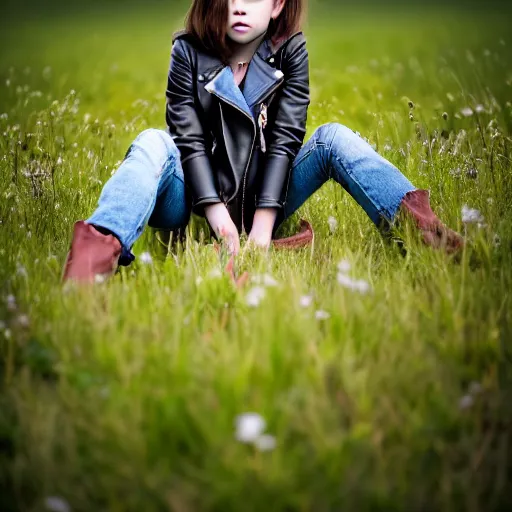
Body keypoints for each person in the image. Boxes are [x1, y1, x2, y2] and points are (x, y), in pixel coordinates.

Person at [62, 0, 464, 283]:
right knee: (153, 140)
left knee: (334, 137)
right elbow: (189, 140)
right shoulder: (187, 51)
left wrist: (261, 229)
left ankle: (429, 241)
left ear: (276, 5)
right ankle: (92, 261)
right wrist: (221, 223)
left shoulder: (291, 52)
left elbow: (288, 138)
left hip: (266, 194)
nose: (238, 7)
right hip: (192, 199)